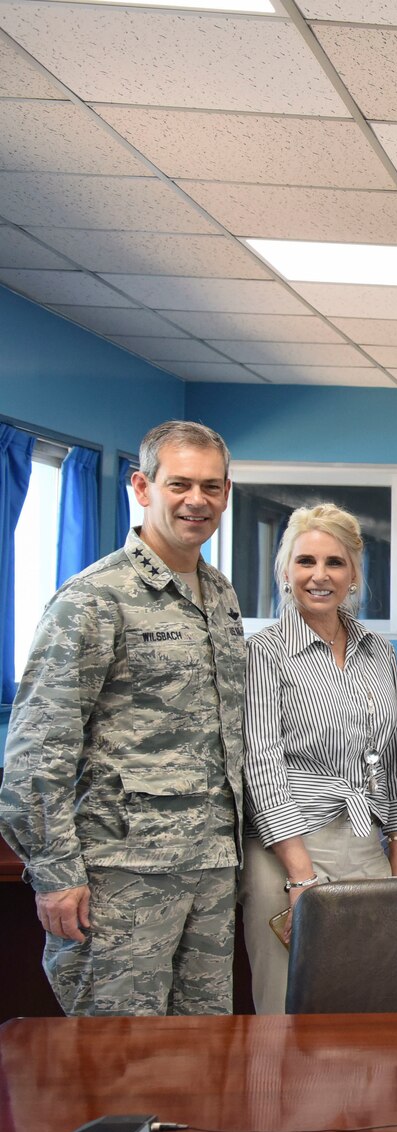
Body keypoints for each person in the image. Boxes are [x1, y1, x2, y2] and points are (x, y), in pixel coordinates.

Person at [0, 419, 246, 1015]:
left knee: (202, 1052)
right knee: (114, 1057)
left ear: (226, 494)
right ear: (143, 487)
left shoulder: (219, 594)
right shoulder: (93, 598)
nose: (197, 501)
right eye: (180, 484)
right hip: (121, 874)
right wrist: (55, 872)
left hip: (211, 868)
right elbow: (38, 747)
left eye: (211, 487)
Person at [241, 504, 397, 1013]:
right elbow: (262, 766)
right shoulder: (264, 653)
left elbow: (387, 762)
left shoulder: (378, 651)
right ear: (285, 572)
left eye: (335, 562)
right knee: (287, 1007)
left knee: (372, 1003)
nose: (320, 576)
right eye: (305, 562)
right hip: (287, 851)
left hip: (366, 845)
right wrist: (300, 876)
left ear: (355, 573)